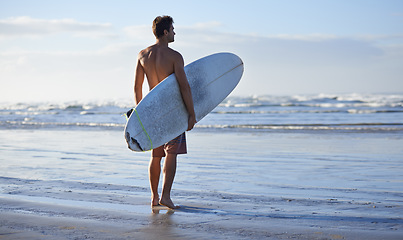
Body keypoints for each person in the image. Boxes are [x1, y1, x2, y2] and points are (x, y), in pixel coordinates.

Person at [133, 16, 196, 209]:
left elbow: (137, 88)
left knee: (156, 155)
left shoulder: (143, 55)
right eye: (173, 29)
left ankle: (154, 197)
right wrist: (192, 113)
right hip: (172, 111)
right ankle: (166, 197)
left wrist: (141, 113)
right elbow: (184, 87)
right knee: (171, 154)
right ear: (166, 32)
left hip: (152, 111)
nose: (175, 32)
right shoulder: (175, 57)